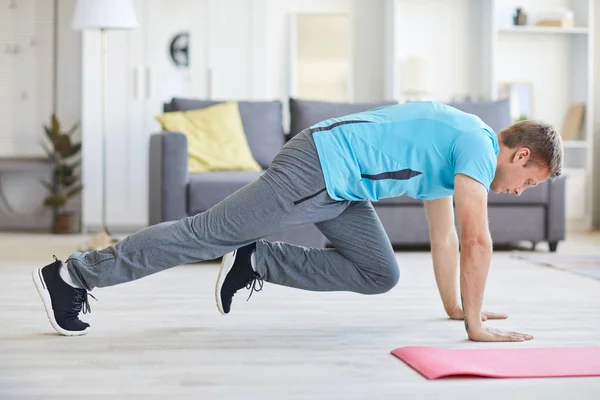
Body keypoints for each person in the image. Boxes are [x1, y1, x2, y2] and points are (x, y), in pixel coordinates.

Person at [32, 100, 563, 342]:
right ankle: (74, 275)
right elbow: (477, 242)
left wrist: (455, 308)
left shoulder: (459, 151)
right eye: (531, 181)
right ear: (518, 156)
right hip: (320, 166)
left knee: (381, 273)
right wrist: (475, 328)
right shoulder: (477, 144)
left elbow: (445, 238)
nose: (522, 191)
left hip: (343, 183)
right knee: (204, 233)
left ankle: (255, 259)